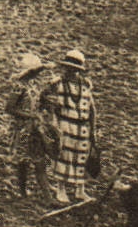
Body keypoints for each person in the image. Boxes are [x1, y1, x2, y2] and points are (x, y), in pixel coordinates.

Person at [41, 49, 97, 203]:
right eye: (69, 68)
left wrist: (94, 129)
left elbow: (91, 108)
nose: (71, 71)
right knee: (64, 157)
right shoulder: (57, 83)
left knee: (81, 157)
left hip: (83, 126)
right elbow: (44, 97)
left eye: (75, 69)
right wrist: (52, 113)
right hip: (65, 124)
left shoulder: (85, 85)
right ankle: (61, 189)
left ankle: (80, 190)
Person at [4, 53, 52, 201]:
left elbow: (38, 101)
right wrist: (29, 115)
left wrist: (46, 105)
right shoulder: (19, 86)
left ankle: (48, 196)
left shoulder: (34, 84)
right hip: (23, 128)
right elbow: (9, 108)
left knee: (40, 161)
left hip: (35, 127)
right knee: (23, 162)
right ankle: (24, 192)